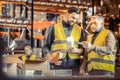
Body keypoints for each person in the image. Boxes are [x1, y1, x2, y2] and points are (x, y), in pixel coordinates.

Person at [42, 7, 84, 75]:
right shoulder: (55, 28)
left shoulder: (80, 30)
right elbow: (46, 46)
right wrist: (50, 58)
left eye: (76, 19)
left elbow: (83, 50)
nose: (74, 20)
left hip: (75, 65)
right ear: (67, 14)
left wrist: (77, 50)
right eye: (73, 17)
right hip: (58, 64)